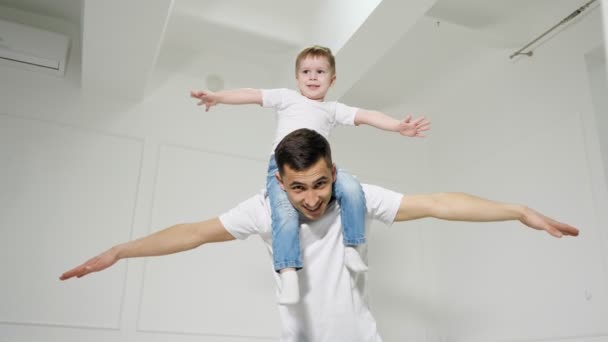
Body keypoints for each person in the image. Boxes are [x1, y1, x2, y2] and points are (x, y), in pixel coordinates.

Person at [60, 128, 579, 342]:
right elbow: (194, 232)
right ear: (280, 181)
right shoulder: (264, 210)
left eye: (322, 183)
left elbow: (440, 203)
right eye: (298, 188)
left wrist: (517, 210)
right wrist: (121, 251)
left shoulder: (358, 198)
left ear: (336, 172)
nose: (312, 198)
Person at [190, 45, 431, 304]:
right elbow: (251, 94)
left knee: (352, 190)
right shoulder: (286, 98)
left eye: (320, 72)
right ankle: (288, 270)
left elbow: (367, 115)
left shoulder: (332, 109)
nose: (313, 77)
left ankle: (352, 246)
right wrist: (218, 97)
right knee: (282, 213)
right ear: (297, 78)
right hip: (283, 170)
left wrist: (396, 126)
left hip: (320, 170)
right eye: (306, 72)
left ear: (332, 79)